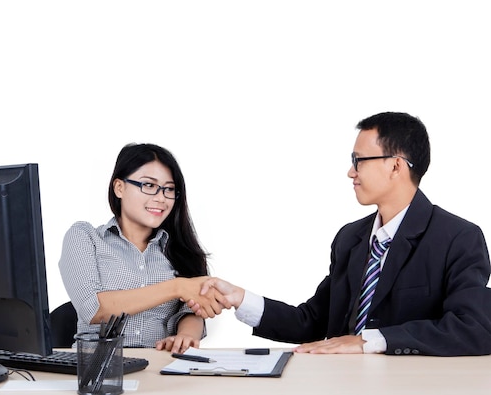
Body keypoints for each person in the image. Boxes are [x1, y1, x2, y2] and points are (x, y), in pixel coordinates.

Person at [191, 112, 491, 356]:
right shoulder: (351, 238)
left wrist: (370, 341)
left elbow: (475, 328)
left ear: (396, 165)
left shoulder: (457, 237)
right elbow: (310, 322)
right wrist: (241, 299)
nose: (351, 172)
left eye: (359, 160)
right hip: (339, 383)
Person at [59, 143, 221, 354]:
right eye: (149, 185)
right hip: (96, 369)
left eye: (169, 189)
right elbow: (93, 309)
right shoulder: (84, 236)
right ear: (119, 187)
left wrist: (186, 336)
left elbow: (190, 310)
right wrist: (177, 287)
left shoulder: (180, 249)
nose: (161, 198)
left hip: (160, 366)